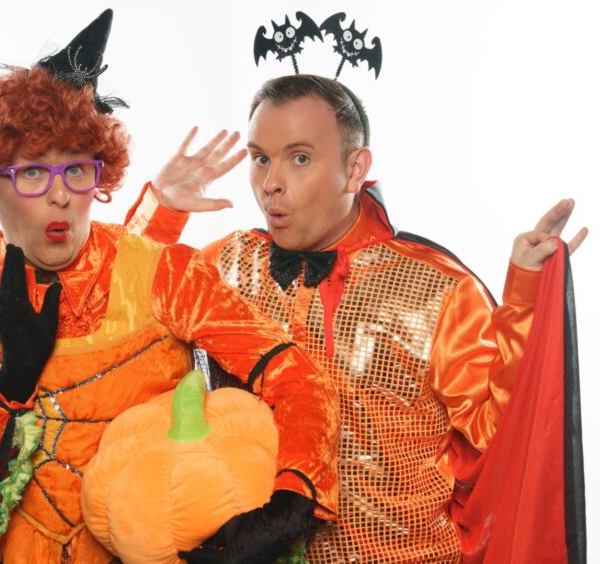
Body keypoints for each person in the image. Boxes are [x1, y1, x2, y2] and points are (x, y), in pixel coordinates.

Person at [0, 13, 339, 563]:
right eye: (34, 175)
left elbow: (295, 374)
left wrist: (289, 504)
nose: (61, 197)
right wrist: (9, 385)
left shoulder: (163, 273)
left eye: (78, 171)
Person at [127, 74, 588, 562]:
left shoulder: (438, 288)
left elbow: (503, 438)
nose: (270, 183)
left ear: (354, 169)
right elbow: (118, 335)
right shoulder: (225, 265)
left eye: (299, 158)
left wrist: (528, 297)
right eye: (261, 158)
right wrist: (161, 211)